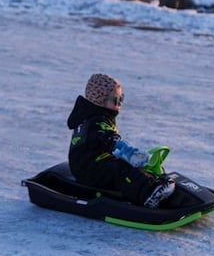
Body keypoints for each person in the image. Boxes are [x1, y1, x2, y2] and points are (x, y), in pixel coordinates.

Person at [67, 73, 175, 208]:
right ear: (101, 101)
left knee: (127, 165)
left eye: (121, 98)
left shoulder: (99, 115)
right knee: (119, 169)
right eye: (116, 100)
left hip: (96, 159)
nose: (120, 104)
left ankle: (153, 182)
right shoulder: (95, 121)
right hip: (87, 169)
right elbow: (106, 137)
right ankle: (148, 194)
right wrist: (126, 151)